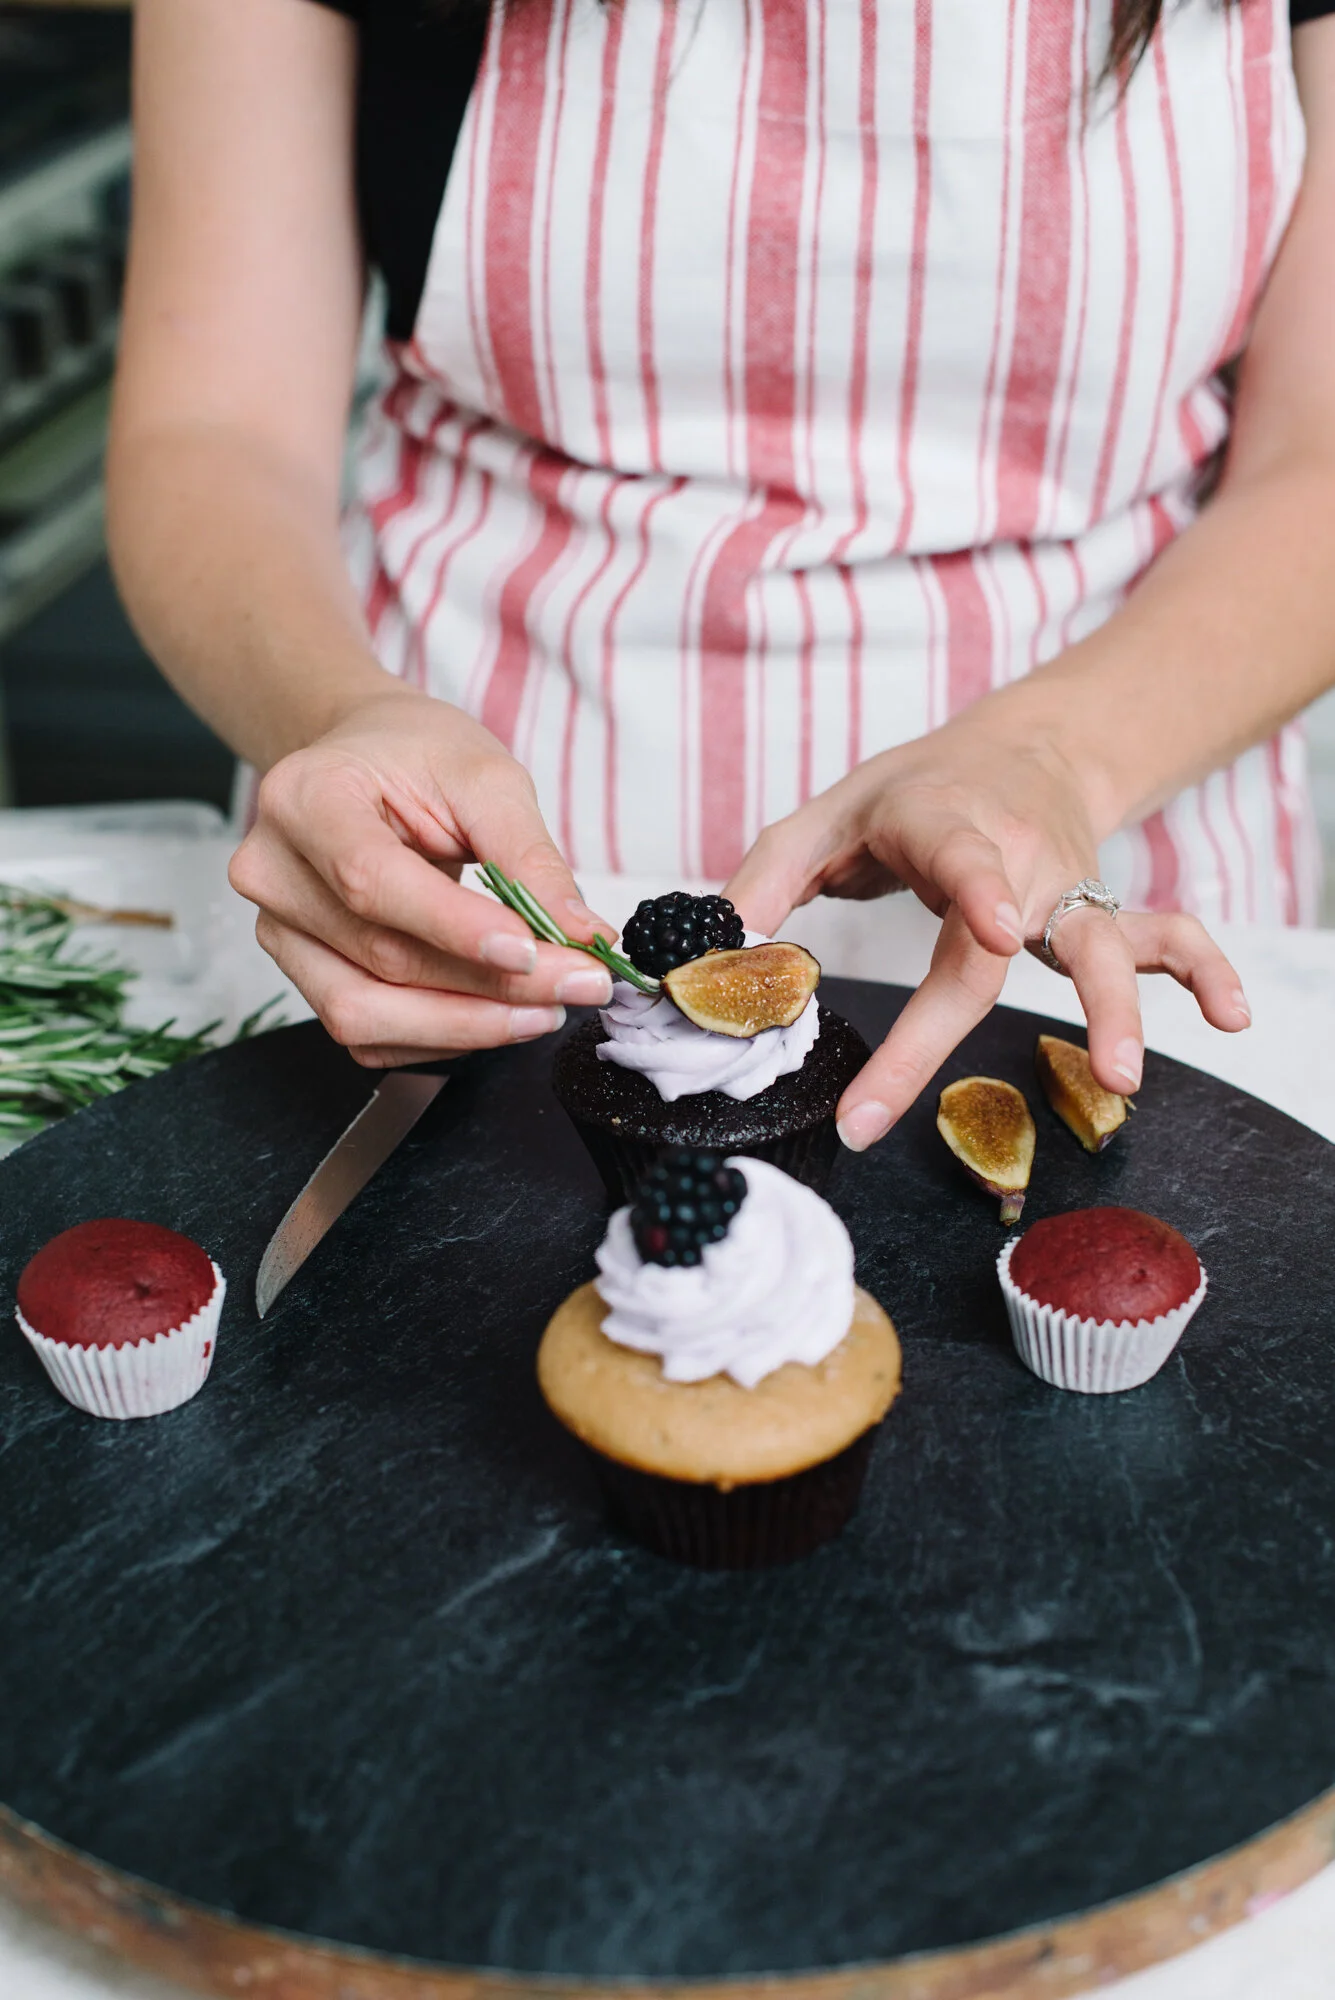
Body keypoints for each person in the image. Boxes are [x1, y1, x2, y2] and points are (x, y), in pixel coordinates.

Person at [108, 0, 1335, 1153]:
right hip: (468, 881)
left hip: (1104, 828)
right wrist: (333, 712)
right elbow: (212, 428)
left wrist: (1060, 756)